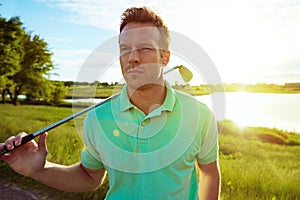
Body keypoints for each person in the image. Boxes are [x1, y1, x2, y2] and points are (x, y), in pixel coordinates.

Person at [0, 7, 220, 200]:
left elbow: (209, 172)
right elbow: (89, 177)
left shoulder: (199, 114)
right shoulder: (97, 118)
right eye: (125, 49)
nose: (132, 57)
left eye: (144, 48)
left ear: (165, 57)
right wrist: (38, 171)